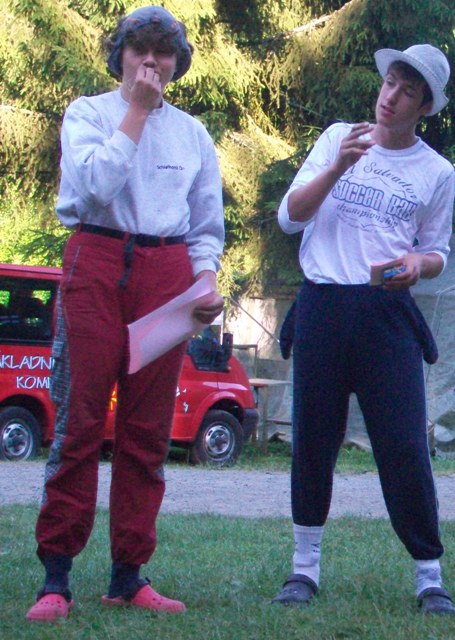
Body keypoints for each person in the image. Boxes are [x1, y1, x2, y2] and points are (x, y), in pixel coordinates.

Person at [26, 5, 224, 622]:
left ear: (178, 62)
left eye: (163, 53)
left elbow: (205, 225)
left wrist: (205, 280)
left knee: (146, 434)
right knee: (80, 422)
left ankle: (128, 575)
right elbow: (92, 190)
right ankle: (56, 576)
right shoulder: (88, 113)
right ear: (121, 56)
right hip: (96, 259)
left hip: (166, 275)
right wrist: (135, 112)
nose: (152, 63)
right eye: (140, 50)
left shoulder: (193, 134)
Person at [273, 44, 455, 615]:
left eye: (407, 90)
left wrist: (420, 263)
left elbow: (438, 252)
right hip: (322, 305)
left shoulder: (438, 172)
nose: (390, 96)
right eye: (389, 82)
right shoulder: (338, 138)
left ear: (423, 106)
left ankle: (429, 577)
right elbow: (289, 217)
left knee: (403, 445)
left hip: (386, 314)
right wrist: (337, 167)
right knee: (312, 441)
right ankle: (304, 569)